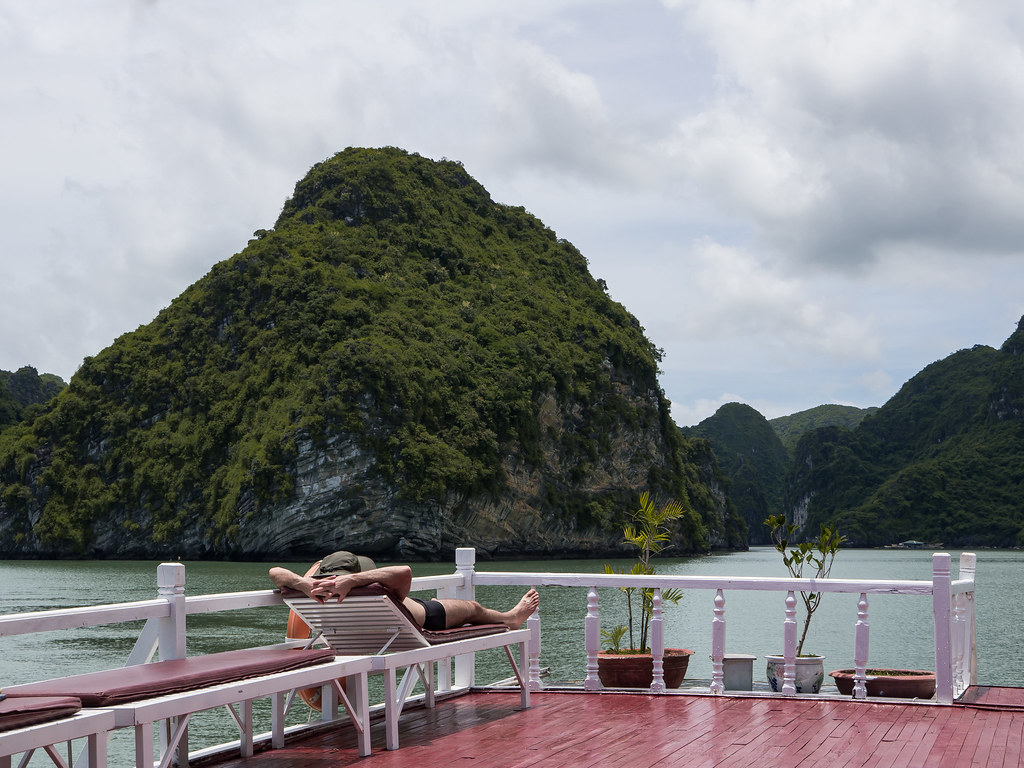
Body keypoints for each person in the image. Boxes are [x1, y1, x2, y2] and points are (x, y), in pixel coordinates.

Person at [269, 550, 539, 632]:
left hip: (355, 632)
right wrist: (353, 581)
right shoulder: (366, 588)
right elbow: (404, 572)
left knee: (445, 602)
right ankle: (510, 618)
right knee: (472, 608)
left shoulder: (313, 590)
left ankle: (508, 617)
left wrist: (304, 584)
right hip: (423, 618)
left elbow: (275, 572)